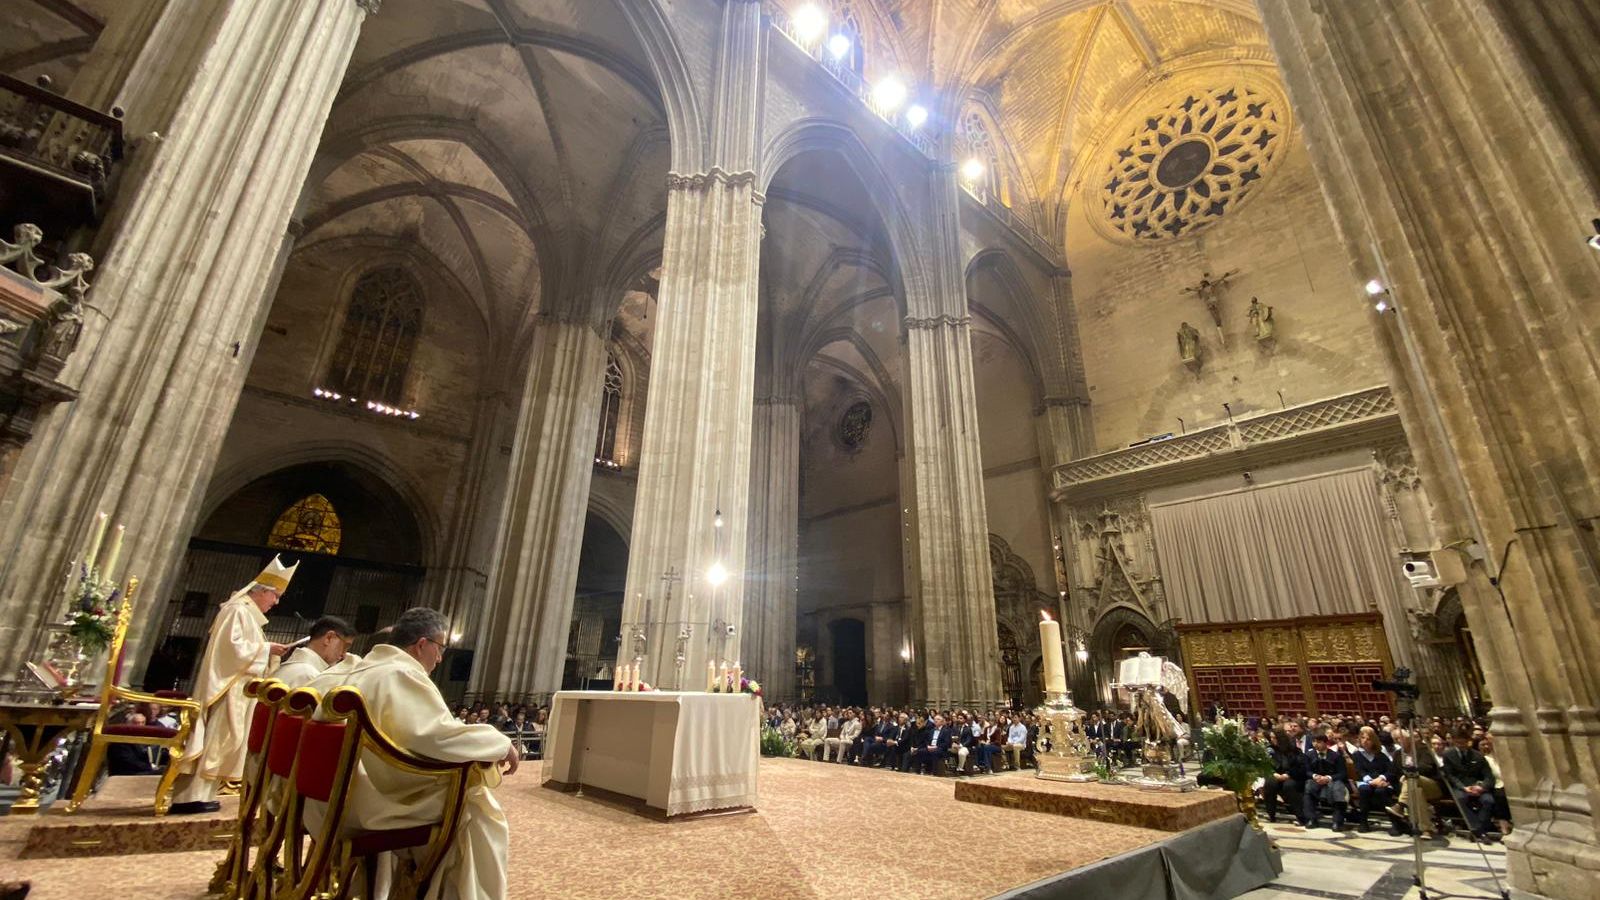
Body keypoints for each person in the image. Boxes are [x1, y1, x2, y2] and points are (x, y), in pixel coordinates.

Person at [309, 607, 518, 900]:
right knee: (477, 809)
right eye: (441, 648)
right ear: (422, 645)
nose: (441, 657)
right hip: (368, 801)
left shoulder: (363, 669)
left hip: (334, 795)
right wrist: (498, 743)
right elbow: (435, 737)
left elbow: (417, 731)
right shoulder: (401, 673)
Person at [169, 556, 296, 814]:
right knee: (216, 740)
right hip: (226, 689)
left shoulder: (246, 614)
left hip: (237, 689)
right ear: (262, 592)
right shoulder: (237, 610)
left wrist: (269, 653)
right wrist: (267, 648)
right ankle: (190, 797)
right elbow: (231, 650)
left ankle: (203, 794)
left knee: (224, 741)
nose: (276, 602)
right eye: (275, 596)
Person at [1441, 723, 1496, 839]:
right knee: (1461, 799)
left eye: (1464, 743)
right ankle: (1478, 829)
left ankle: (1478, 828)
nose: (1461, 745)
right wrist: (1463, 787)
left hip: (1477, 786)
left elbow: (1489, 776)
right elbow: (1450, 775)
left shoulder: (1477, 756)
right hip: (1461, 787)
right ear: (1454, 741)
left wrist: (1481, 787)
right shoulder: (1448, 755)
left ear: (1468, 741)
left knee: (1488, 800)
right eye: (1458, 743)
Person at [273, 615, 358, 687]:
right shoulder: (310, 675)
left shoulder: (292, 666)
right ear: (328, 638)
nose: (344, 655)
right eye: (345, 646)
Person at [1352, 726, 1398, 833]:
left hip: (1382, 783)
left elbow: (1390, 771)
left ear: (1374, 740)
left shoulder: (1381, 754)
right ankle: (1363, 822)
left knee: (1381, 791)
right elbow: (1359, 771)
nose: (1365, 741)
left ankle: (1395, 822)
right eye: (1363, 738)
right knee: (1364, 790)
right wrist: (1370, 781)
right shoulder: (1357, 755)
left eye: (1368, 739)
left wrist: (1381, 778)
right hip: (1366, 782)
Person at [1302, 733, 1350, 830]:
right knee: (1308, 787)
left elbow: (1342, 773)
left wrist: (1328, 778)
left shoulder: (1335, 756)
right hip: (1316, 781)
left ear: (1325, 743)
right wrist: (1314, 776)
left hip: (1333, 780)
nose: (1315, 744)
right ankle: (1311, 819)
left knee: (1338, 790)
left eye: (1319, 742)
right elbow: (1306, 771)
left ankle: (1337, 822)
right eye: (1314, 742)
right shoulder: (1309, 755)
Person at [1263, 728, 1306, 825]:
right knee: (1270, 784)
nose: (1272, 740)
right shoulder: (1270, 749)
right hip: (1276, 775)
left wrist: (1288, 774)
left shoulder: (1294, 750)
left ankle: (1301, 816)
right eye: (1271, 738)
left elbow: (1300, 766)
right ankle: (1271, 815)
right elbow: (1266, 765)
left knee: (1289, 786)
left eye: (1274, 738)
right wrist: (1274, 774)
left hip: (1292, 775)